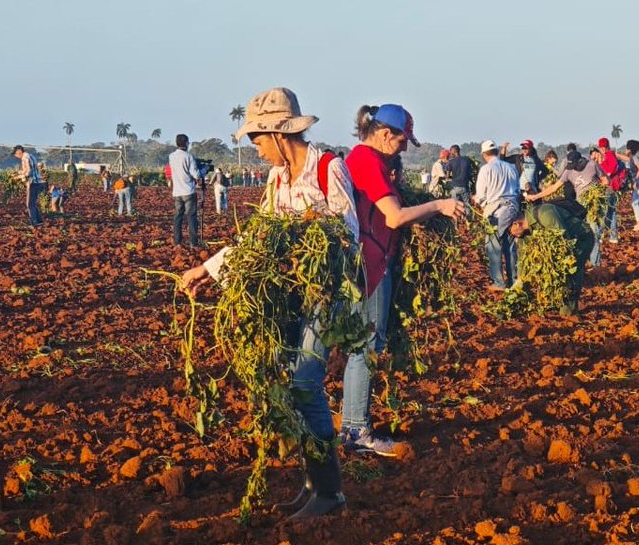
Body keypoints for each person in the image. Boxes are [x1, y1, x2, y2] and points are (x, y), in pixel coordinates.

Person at [181, 88, 356, 519]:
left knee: (305, 382)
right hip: (289, 295)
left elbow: (348, 234)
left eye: (258, 141)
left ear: (279, 134)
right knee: (288, 381)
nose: (257, 151)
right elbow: (260, 235)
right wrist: (208, 268)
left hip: (325, 293)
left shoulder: (329, 168)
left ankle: (329, 494)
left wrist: (304, 237)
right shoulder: (278, 180)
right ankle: (313, 481)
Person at [343, 104, 464, 457]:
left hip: (375, 259)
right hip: (372, 262)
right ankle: (356, 430)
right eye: (401, 140)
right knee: (367, 346)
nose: (404, 147)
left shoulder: (373, 161)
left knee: (363, 345)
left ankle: (353, 425)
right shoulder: (365, 161)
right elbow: (394, 217)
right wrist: (438, 206)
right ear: (383, 134)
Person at [508, 201, 595, 314]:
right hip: (565, 243)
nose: (511, 236)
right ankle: (555, 301)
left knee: (570, 269)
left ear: (516, 223)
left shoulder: (545, 214)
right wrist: (519, 280)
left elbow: (563, 241)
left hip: (580, 239)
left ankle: (569, 309)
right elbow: (522, 259)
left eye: (509, 232)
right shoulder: (523, 234)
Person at [527, 149, 606, 266]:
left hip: (593, 206)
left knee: (593, 232)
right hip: (579, 206)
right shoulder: (569, 171)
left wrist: (598, 193)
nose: (573, 167)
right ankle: (583, 261)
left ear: (581, 161)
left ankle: (595, 265)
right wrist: (536, 196)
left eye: (574, 164)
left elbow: (605, 180)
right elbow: (554, 187)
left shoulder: (592, 165)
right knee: (580, 233)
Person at [475, 140, 522, 290]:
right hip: (512, 210)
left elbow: (481, 195)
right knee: (510, 248)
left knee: (494, 248)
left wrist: (476, 199)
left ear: (484, 154)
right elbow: (517, 190)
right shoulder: (511, 167)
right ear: (496, 151)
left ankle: (499, 283)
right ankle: (514, 280)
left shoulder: (486, 169)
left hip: (495, 213)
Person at [169, 134, 202, 248]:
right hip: (188, 191)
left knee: (178, 217)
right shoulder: (188, 156)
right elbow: (194, 173)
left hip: (177, 192)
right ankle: (193, 242)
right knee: (191, 217)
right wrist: (201, 175)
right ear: (187, 143)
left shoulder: (171, 156)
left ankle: (177, 242)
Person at [596, 138, 623, 243]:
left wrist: (607, 175)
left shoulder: (609, 155)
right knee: (611, 211)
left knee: (604, 211)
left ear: (606, 147)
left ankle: (600, 235)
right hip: (610, 187)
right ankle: (613, 236)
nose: (601, 149)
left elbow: (613, 167)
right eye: (600, 147)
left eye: (602, 147)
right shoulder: (607, 155)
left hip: (609, 187)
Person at [12, 145, 46, 226]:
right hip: (37, 182)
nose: (16, 156)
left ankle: (34, 222)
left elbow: (29, 171)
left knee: (29, 204)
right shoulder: (31, 156)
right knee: (33, 203)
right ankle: (39, 221)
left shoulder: (25, 157)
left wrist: (18, 177)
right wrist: (19, 173)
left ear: (19, 151)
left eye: (16, 154)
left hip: (32, 182)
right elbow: (28, 169)